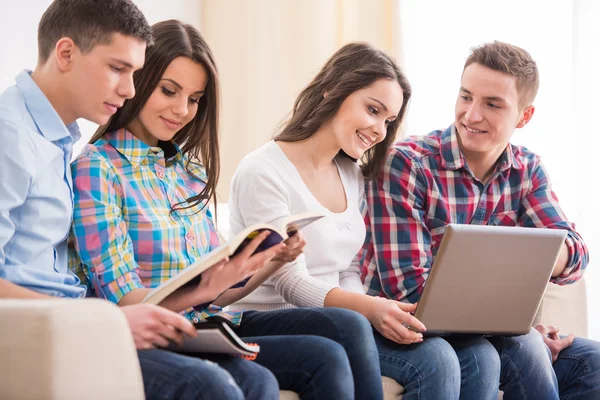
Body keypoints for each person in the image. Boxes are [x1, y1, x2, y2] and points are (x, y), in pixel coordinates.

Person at [69, 19, 383, 400]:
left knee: (339, 338)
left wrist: (270, 260)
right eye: (169, 90)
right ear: (140, 78)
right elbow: (126, 302)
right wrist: (212, 286)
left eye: (195, 98)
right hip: (157, 331)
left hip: (213, 323)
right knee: (280, 373)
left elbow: (219, 295)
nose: (182, 110)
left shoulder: (189, 170)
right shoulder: (97, 168)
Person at [0, 1, 255, 399]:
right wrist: (102, 319)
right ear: (65, 53)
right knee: (211, 386)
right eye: (118, 69)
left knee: (265, 372)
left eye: (135, 73)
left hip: (72, 323)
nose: (130, 89)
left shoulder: (56, 140)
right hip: (40, 330)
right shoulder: (10, 135)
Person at [228, 42, 495, 399]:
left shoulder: (350, 173)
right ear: (332, 91)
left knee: (442, 358)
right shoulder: (263, 170)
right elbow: (290, 282)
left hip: (337, 320)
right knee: (367, 328)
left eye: (388, 121)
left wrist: (374, 313)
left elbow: (349, 268)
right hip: (266, 319)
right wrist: (369, 308)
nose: (380, 130)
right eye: (373, 110)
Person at [357, 40, 600, 399]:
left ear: (524, 116)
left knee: (590, 361)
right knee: (518, 350)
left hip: (492, 331)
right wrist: (516, 329)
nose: (471, 115)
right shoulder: (407, 164)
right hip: (408, 330)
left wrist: (544, 253)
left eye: (492, 104)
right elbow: (407, 291)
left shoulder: (526, 169)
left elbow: (576, 256)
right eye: (466, 97)